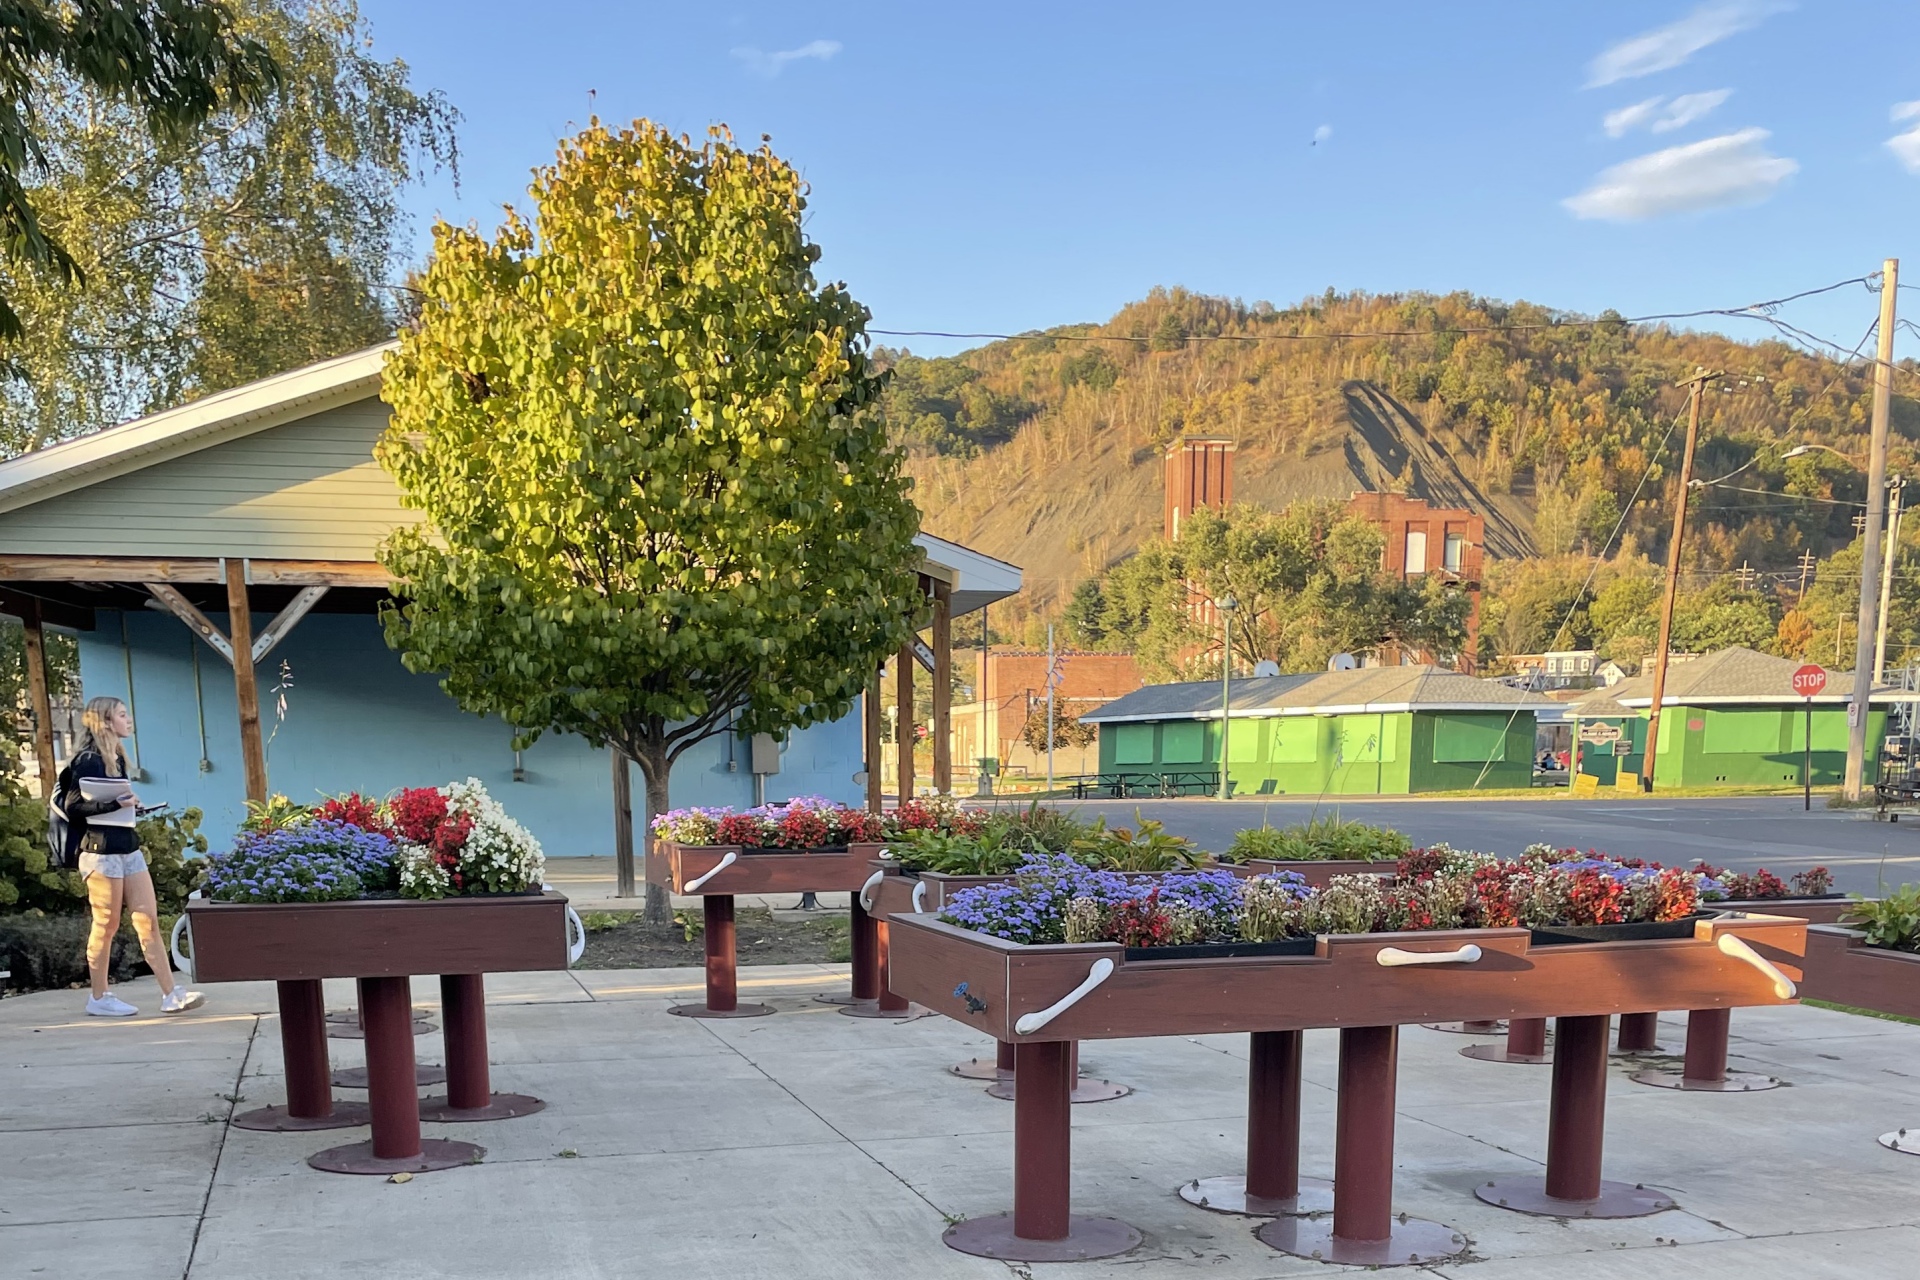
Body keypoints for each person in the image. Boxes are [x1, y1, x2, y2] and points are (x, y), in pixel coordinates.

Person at [63, 696, 204, 1017]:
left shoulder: (118, 757)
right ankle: (99, 997)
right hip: (101, 853)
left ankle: (171, 993)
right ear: (105, 721)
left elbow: (114, 800)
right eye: (122, 715)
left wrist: (131, 805)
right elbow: (74, 807)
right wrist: (115, 805)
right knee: (107, 923)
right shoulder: (87, 760)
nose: (129, 721)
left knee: (147, 921)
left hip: (129, 847)